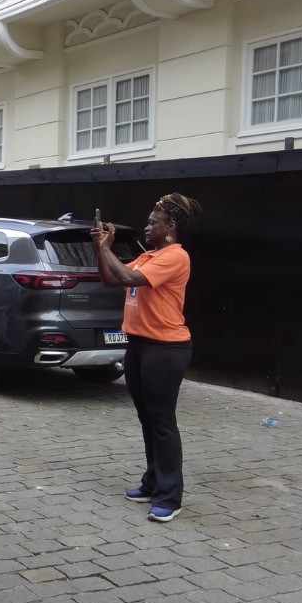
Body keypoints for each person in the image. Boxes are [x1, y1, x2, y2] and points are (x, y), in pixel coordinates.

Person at [92, 192, 201, 523]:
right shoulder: (148, 256)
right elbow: (111, 277)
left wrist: (108, 247)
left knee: (162, 422)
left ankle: (170, 496)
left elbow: (127, 278)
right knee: (147, 418)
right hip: (139, 345)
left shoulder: (175, 257)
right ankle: (152, 482)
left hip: (165, 348)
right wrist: (101, 247)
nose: (147, 226)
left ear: (169, 226)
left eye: (153, 222)